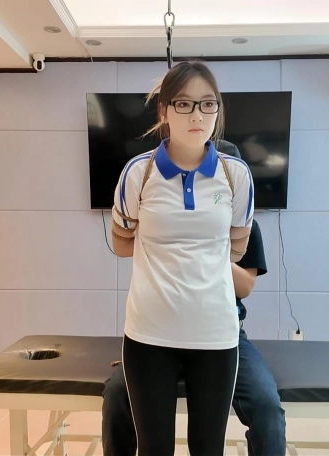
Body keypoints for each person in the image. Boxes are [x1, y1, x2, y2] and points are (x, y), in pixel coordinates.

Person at [103, 142, 286, 456]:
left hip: (222, 335)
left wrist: (205, 251)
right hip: (160, 334)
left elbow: (245, 286)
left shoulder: (244, 223)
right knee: (117, 395)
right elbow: (124, 244)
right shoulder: (153, 199)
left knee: (266, 405)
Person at [110, 61, 255, 455]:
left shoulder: (236, 175)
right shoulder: (138, 173)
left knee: (208, 448)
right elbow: (121, 244)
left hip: (215, 334)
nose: (197, 115)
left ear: (217, 110)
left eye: (208, 104)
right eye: (184, 104)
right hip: (149, 334)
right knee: (154, 448)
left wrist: (183, 253)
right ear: (164, 110)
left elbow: (236, 248)